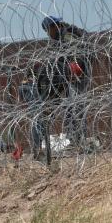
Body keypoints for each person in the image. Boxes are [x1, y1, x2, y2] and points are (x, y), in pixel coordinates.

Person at [41, 15, 90, 149]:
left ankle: (79, 139)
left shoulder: (67, 35)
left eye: (47, 30)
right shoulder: (58, 38)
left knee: (76, 106)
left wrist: (74, 67)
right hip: (69, 75)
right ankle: (73, 138)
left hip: (78, 74)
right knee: (70, 106)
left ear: (53, 26)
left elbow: (77, 53)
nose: (47, 33)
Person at [18, 69, 47, 161]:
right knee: (37, 130)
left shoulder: (25, 86)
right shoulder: (30, 86)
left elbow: (22, 99)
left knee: (39, 130)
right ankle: (38, 151)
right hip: (36, 109)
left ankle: (38, 150)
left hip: (35, 109)